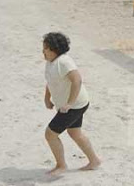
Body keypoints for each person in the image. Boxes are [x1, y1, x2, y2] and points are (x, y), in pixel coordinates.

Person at [42, 32, 101, 176]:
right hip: (75, 105)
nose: (43, 51)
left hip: (75, 106)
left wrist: (69, 103)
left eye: (45, 48)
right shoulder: (51, 63)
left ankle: (61, 165)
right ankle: (94, 161)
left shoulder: (64, 62)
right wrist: (47, 98)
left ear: (54, 49)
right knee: (75, 133)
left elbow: (77, 80)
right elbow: (50, 82)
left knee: (50, 134)